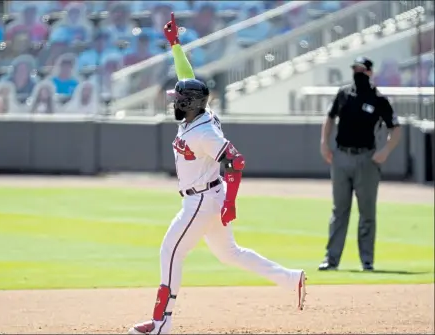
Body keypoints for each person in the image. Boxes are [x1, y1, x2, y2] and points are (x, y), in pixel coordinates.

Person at [127, 13, 307, 335]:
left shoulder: (203, 132)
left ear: (191, 105)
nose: (175, 102)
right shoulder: (202, 111)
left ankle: (160, 323)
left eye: (180, 99)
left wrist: (231, 203)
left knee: (170, 251)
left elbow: (235, 161)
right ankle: (291, 278)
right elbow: (187, 75)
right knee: (230, 254)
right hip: (209, 194)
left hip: (202, 202)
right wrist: (175, 45)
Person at [319, 57, 402, 272]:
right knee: (339, 210)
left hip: (366, 158)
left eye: (361, 70)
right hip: (341, 156)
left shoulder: (378, 99)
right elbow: (329, 118)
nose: (357, 73)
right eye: (355, 69)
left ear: (370, 73)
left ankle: (367, 260)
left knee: (367, 212)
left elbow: (396, 128)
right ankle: (331, 259)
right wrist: (324, 143)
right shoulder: (344, 94)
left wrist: (385, 150)